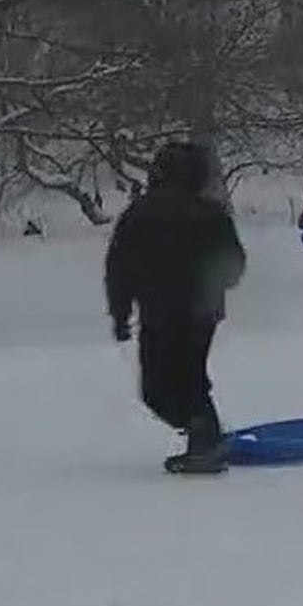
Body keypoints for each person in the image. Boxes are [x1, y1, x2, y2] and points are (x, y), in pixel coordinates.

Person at [106, 143, 248, 475]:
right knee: (190, 376)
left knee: (158, 388)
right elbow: (235, 265)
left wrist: (120, 313)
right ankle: (206, 437)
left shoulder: (139, 215)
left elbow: (119, 268)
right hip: (202, 312)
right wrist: (212, 281)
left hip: (161, 312)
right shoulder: (211, 214)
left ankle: (205, 440)